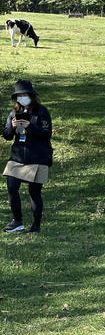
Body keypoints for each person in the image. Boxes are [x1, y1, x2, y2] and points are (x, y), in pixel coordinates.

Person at [2, 80, 52, 233]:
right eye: (19, 95)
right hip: (17, 157)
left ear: (31, 95)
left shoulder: (41, 112)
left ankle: (36, 225)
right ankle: (17, 221)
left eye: (25, 95)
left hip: (37, 157)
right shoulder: (13, 113)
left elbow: (46, 134)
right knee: (11, 187)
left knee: (34, 192)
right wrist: (13, 127)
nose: (22, 97)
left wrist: (30, 126)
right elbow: (7, 136)